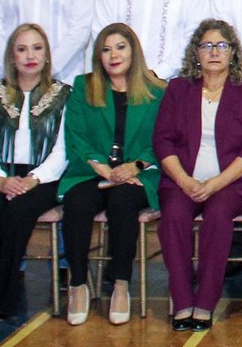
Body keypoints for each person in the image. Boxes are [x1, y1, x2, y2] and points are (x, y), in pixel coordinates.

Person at [153, 18, 242, 330]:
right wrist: (185, 181)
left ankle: (205, 302)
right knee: (173, 217)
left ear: (233, 52)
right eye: (206, 45)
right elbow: (162, 140)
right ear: (196, 53)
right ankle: (182, 302)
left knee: (218, 217)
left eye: (222, 45)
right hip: (183, 180)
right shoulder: (178, 89)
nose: (214, 52)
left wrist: (216, 183)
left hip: (232, 182)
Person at [59, 22, 164, 326]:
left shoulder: (158, 91)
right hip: (92, 171)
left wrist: (136, 165)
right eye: (106, 50)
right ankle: (78, 284)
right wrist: (101, 166)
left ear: (134, 51)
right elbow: (76, 135)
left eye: (120, 47)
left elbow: (162, 139)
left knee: (122, 202)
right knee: (77, 203)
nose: (113, 55)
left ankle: (120, 284)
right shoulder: (83, 86)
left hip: (137, 174)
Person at [0, 23, 71, 320]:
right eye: (22, 49)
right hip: (0, 173)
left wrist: (33, 180)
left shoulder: (63, 95)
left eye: (37, 48)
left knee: (17, 214)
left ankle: (6, 296)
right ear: (11, 57)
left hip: (44, 178)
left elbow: (63, 149)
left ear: (47, 55)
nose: (30, 56)